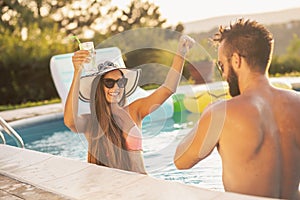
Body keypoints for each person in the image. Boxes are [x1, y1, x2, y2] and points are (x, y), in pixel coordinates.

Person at [173, 18, 300, 200]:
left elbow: (181, 161)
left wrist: (206, 115)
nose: (223, 74)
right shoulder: (298, 103)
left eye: (221, 65)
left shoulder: (221, 114)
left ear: (236, 60)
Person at [64, 35, 194, 174]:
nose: (116, 88)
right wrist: (77, 71)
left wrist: (181, 53)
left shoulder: (134, 110)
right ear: (98, 87)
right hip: (110, 190)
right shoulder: (91, 122)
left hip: (143, 186)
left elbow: (168, 88)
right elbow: (70, 120)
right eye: (109, 83)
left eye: (121, 82)